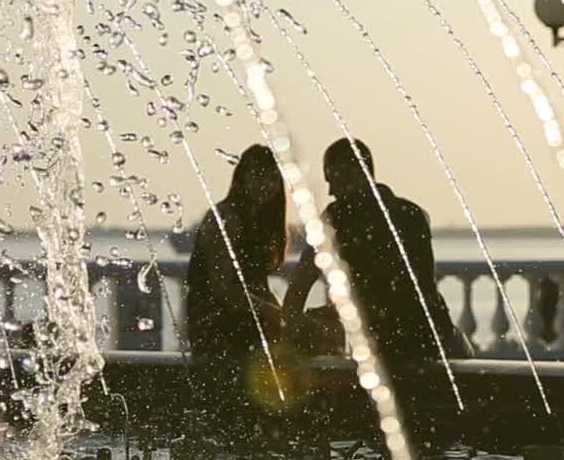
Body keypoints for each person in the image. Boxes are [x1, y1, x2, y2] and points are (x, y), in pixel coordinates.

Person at [283, 138, 467, 448]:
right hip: (432, 339)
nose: (329, 191)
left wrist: (286, 343)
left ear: (349, 173)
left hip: (384, 350)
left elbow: (299, 288)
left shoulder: (334, 219)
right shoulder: (413, 214)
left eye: (332, 179)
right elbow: (412, 291)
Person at [183, 144, 289, 432]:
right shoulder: (226, 218)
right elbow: (223, 290)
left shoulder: (260, 223)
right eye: (258, 176)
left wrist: (286, 315)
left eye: (272, 178)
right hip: (218, 326)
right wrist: (275, 314)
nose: (266, 185)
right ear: (241, 178)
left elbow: (258, 286)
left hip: (245, 322)